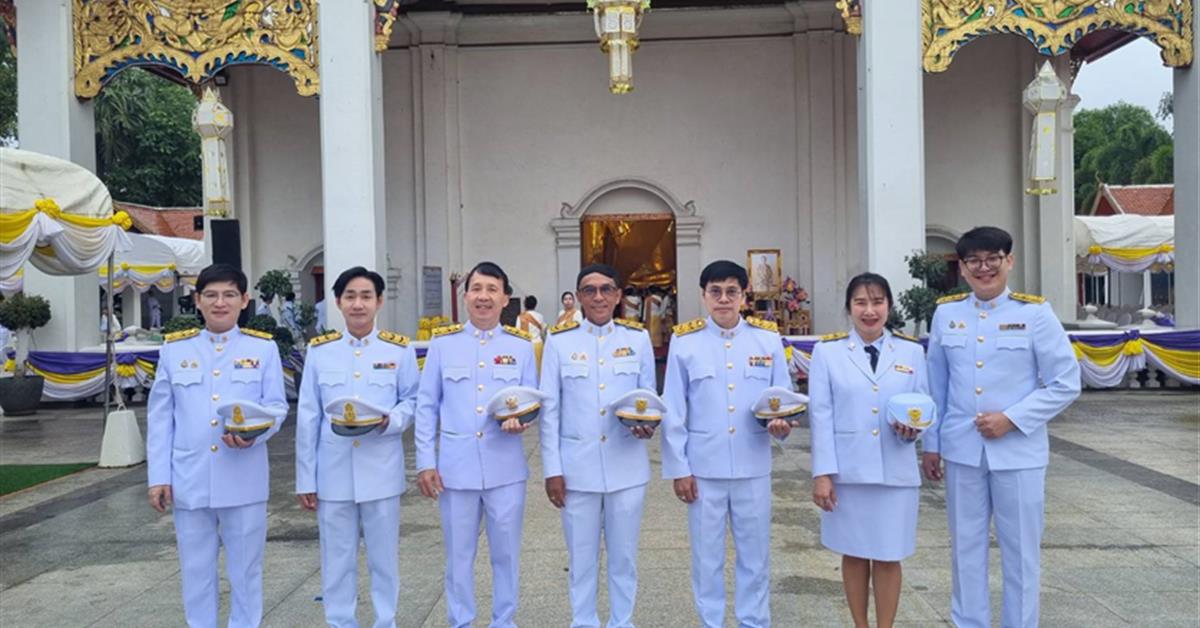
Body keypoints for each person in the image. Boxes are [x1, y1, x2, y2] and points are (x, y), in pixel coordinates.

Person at [922, 226, 1081, 628]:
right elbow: (935, 386)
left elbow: (1065, 382)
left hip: (1019, 454)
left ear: (1009, 261)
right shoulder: (947, 313)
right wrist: (931, 444)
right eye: (974, 261)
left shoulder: (1035, 314)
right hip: (962, 451)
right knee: (966, 550)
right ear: (962, 267)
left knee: (1022, 554)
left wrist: (1012, 419)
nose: (984, 268)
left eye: (993, 258)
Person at [146, 263, 288, 628]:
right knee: (196, 571)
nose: (219, 302)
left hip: (243, 477)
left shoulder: (263, 349)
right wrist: (158, 477)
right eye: (211, 295)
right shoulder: (175, 351)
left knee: (246, 571)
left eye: (228, 295)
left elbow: (276, 407)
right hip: (190, 478)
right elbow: (162, 418)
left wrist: (255, 433)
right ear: (197, 300)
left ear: (244, 300)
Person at [661, 260, 793, 628]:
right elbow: (674, 409)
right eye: (715, 291)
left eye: (732, 291)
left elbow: (783, 400)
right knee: (707, 558)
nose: (723, 299)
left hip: (752, 465)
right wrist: (679, 468)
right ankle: (712, 622)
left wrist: (782, 427)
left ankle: (754, 621)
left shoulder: (766, 340)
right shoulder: (685, 343)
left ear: (744, 295)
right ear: (703, 296)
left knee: (756, 556)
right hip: (704, 468)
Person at [415, 261, 537, 628]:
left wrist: (523, 421)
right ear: (465, 295)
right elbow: (426, 405)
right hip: (455, 469)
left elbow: (532, 402)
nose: (483, 296)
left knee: (506, 555)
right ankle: (461, 621)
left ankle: (504, 621)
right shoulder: (442, 344)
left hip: (505, 467)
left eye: (492, 289)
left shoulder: (521, 346)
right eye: (477, 288)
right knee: (458, 556)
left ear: (505, 299)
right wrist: (425, 461)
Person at [295, 267, 419, 628]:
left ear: (379, 301)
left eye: (366, 296)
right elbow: (308, 417)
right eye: (350, 296)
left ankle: (386, 620)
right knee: (336, 558)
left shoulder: (399, 350)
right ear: (337, 302)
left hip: (380, 468)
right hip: (333, 473)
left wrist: (390, 421)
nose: (358, 304)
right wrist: (306, 479)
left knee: (384, 558)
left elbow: (411, 401)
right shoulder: (321, 352)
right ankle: (340, 622)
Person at [539, 263, 657, 628]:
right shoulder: (559, 342)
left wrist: (647, 426)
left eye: (607, 289)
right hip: (577, 470)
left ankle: (623, 622)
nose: (599, 297)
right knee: (582, 559)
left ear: (619, 295)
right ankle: (584, 622)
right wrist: (552, 470)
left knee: (624, 559)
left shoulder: (637, 340)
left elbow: (648, 398)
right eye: (589, 290)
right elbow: (549, 412)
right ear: (577, 298)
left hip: (626, 467)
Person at [808, 273, 929, 628]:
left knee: (890, 555)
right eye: (860, 302)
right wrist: (822, 474)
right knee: (856, 552)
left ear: (889, 306)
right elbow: (821, 415)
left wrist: (916, 430)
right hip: (849, 473)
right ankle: (861, 625)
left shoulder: (911, 351)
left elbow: (925, 405)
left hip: (896, 470)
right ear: (849, 308)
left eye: (877, 302)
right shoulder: (827, 353)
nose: (869, 310)